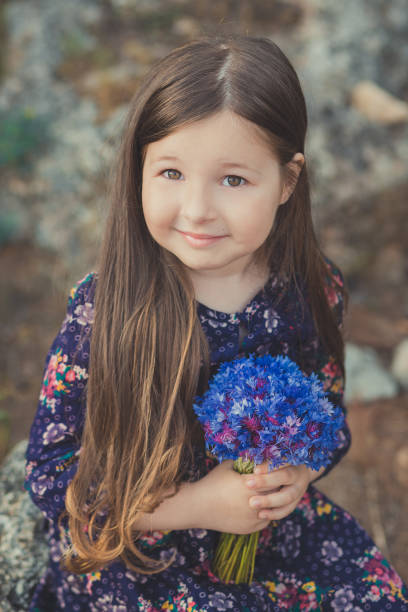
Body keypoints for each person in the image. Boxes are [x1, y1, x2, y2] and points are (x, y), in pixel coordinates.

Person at [25, 35, 408, 611]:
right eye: (172, 172)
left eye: (233, 180)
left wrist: (300, 473)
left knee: (374, 596)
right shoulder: (108, 309)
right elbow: (53, 475)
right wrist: (199, 504)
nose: (198, 208)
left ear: (287, 180)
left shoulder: (309, 288)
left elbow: (327, 411)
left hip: (268, 530)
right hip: (142, 544)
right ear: (139, 170)